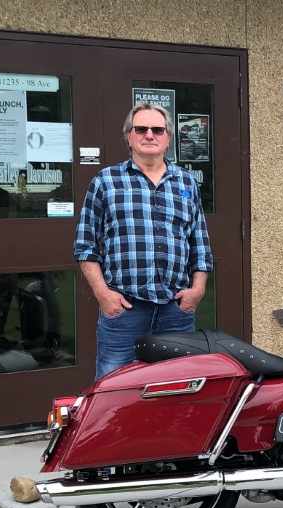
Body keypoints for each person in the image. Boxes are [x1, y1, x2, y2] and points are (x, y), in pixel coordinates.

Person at [74, 103, 213, 380]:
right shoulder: (106, 181)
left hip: (175, 311)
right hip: (124, 310)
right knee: (114, 390)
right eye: (141, 129)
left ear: (168, 138)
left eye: (157, 129)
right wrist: (103, 295)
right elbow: (85, 245)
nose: (149, 135)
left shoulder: (186, 183)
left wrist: (197, 290)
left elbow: (200, 244)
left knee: (178, 389)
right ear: (129, 136)